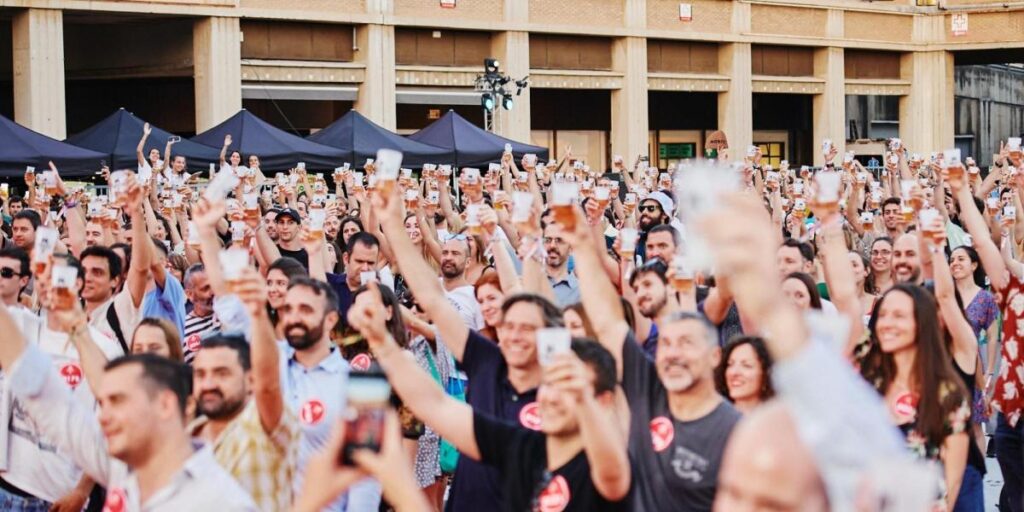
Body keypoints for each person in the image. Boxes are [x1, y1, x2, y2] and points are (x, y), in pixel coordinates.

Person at [348, 282, 632, 512]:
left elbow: (612, 471)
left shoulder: (607, 470)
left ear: (604, 401)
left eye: (571, 387)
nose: (553, 396)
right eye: (551, 384)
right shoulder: (520, 446)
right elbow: (435, 404)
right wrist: (381, 342)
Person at [375, 186, 563, 511]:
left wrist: (525, 237)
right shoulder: (487, 360)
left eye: (527, 328)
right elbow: (432, 298)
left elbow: (535, 297)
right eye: (509, 325)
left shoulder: (558, 384)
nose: (515, 334)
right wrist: (392, 225)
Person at [564, 205, 740, 511]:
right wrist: (580, 243)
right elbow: (607, 321)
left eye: (686, 343)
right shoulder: (647, 384)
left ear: (714, 357)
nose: (673, 353)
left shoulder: (734, 428)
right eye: (667, 343)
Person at [0, 306, 257, 510]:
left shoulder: (221, 502)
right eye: (105, 403)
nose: (104, 417)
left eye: (120, 402)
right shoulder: (120, 467)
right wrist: (77, 329)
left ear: (166, 404)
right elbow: (43, 394)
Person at [189, 268, 299, 512]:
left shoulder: (265, 427)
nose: (209, 384)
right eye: (200, 374)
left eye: (222, 373)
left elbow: (269, 384)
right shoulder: (186, 438)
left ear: (250, 380)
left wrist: (259, 314)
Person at [276, 276, 381, 511]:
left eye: (305, 309)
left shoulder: (361, 387)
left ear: (330, 320)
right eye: (288, 309)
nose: (294, 318)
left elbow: (366, 478)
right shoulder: (272, 366)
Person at [714, 336, 775, 414]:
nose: (734, 372)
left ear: (767, 373)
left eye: (747, 365)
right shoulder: (714, 417)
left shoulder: (780, 419)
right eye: (730, 364)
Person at [542, 222, 581, 308]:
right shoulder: (528, 284)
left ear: (571, 248)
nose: (552, 245)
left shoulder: (582, 292)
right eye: (548, 240)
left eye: (559, 240)